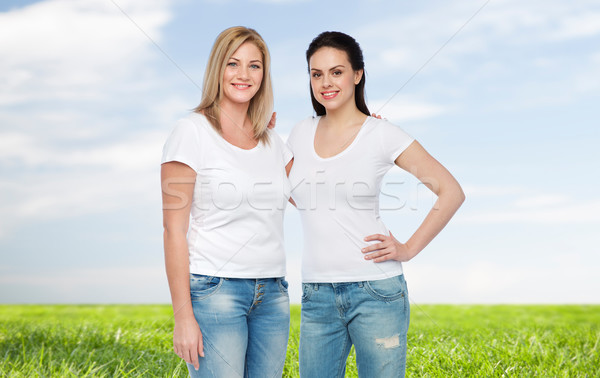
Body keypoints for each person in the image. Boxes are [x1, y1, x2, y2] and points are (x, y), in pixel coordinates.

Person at [286, 31, 465, 377]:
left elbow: (451, 191)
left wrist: (408, 248)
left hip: (376, 292)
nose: (326, 82)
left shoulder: (382, 134)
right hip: (316, 294)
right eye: (316, 73)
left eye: (336, 72)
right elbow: (298, 194)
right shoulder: (299, 132)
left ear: (357, 75)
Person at [160, 26, 293, 377]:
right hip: (215, 292)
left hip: (274, 294)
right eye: (233, 64)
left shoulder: (274, 142)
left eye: (255, 66)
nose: (243, 75)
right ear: (217, 69)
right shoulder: (191, 132)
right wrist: (183, 317)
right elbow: (173, 230)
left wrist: (358, 129)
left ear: (264, 75)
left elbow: (314, 197)